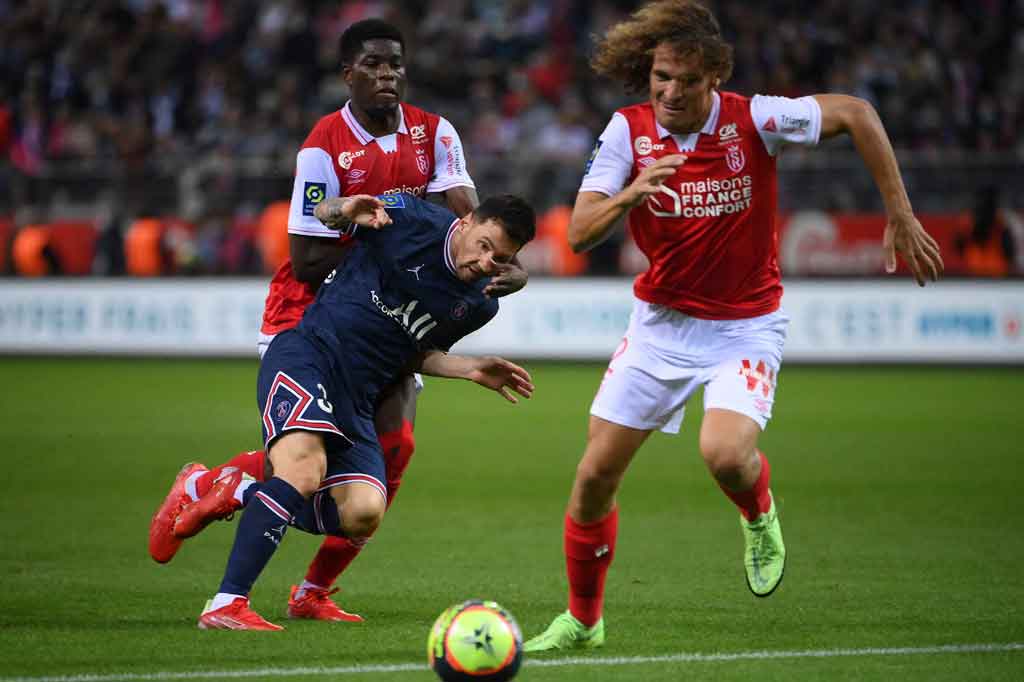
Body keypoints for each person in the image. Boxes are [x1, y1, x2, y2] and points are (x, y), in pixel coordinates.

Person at [524, 0, 944, 652]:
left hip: (745, 326)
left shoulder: (758, 118)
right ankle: (583, 620)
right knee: (592, 479)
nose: (668, 91)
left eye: (684, 80)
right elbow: (579, 233)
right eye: (660, 76)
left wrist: (899, 211)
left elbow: (857, 113)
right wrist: (631, 193)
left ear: (713, 77)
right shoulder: (626, 132)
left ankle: (759, 515)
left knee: (723, 454)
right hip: (661, 325)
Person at [148, 19, 528, 623]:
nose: (388, 76)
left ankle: (311, 587)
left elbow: (474, 220)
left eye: (395, 65)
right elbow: (304, 258)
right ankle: (220, 494)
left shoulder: (435, 133)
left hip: (390, 317)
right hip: (314, 308)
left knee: (393, 447)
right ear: (348, 73)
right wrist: (373, 239)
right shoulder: (324, 146)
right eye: (374, 65)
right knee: (307, 458)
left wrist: (504, 269)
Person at [157, 192, 537, 630]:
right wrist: (342, 210)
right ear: (469, 220)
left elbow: (413, 353)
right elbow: (323, 212)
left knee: (363, 511)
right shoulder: (411, 218)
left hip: (357, 398)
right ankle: (227, 603)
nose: (485, 261)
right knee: (302, 471)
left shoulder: (480, 302)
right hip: (310, 355)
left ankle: (232, 488)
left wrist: (468, 368)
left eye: (500, 258)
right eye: (484, 244)